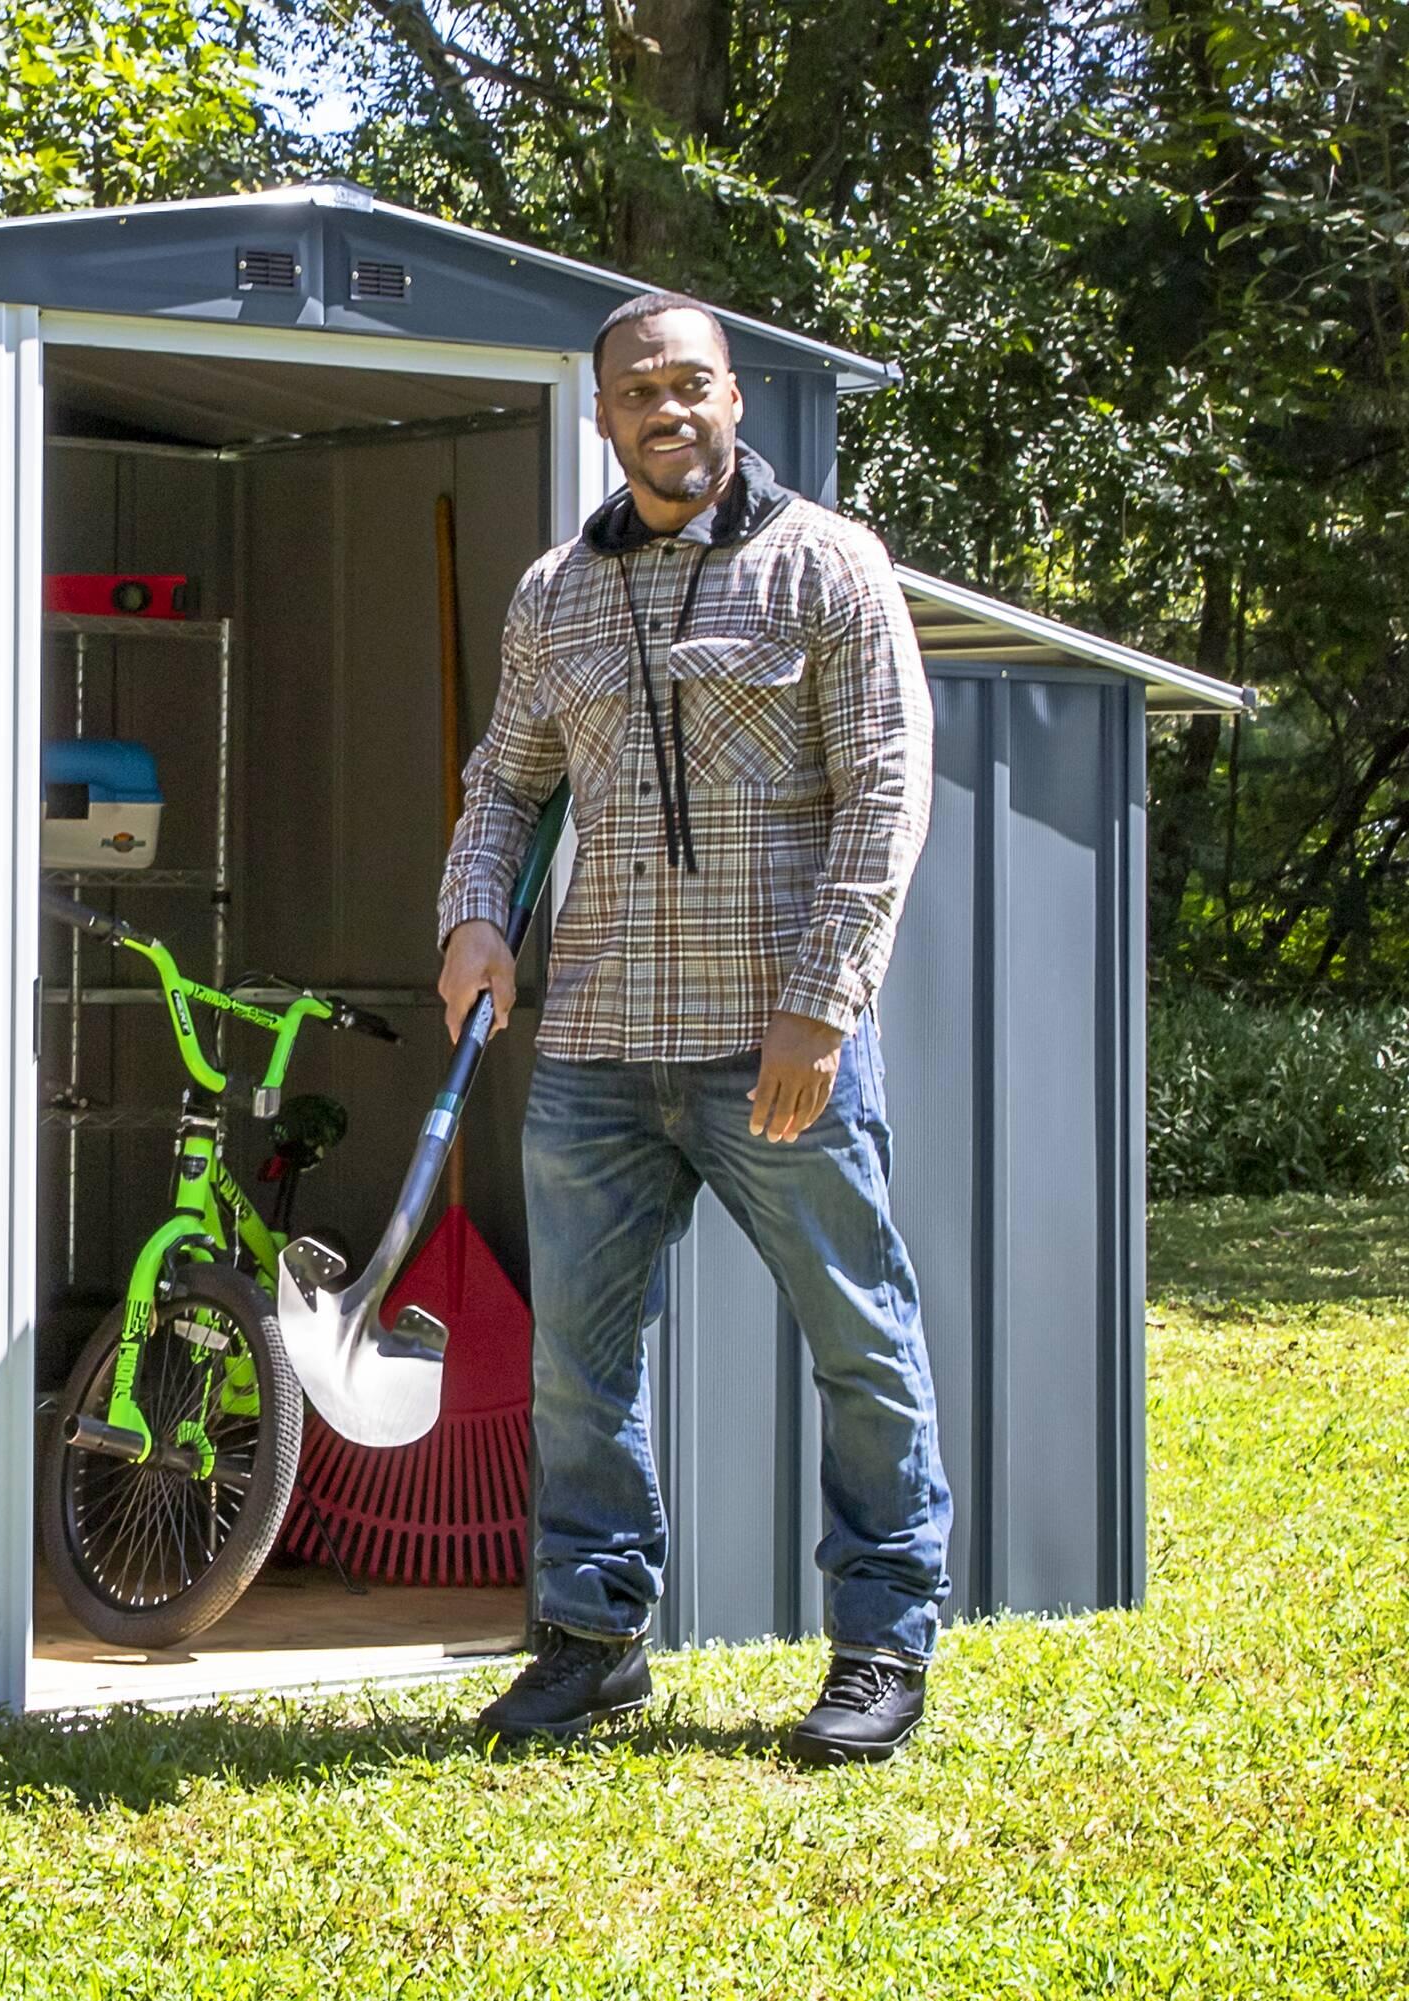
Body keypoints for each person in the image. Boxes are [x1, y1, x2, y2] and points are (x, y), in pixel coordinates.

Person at [436, 291, 951, 1766]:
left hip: (775, 1049)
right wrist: (475, 916)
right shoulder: (555, 594)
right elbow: (505, 786)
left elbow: (885, 797)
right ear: (602, 417)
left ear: (736, 398)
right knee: (578, 1369)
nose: (670, 409)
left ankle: (881, 1643)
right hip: (596, 1044)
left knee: (860, 1339)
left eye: (693, 384)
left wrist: (822, 1002)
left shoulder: (827, 570)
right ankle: (592, 1641)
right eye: (639, 391)